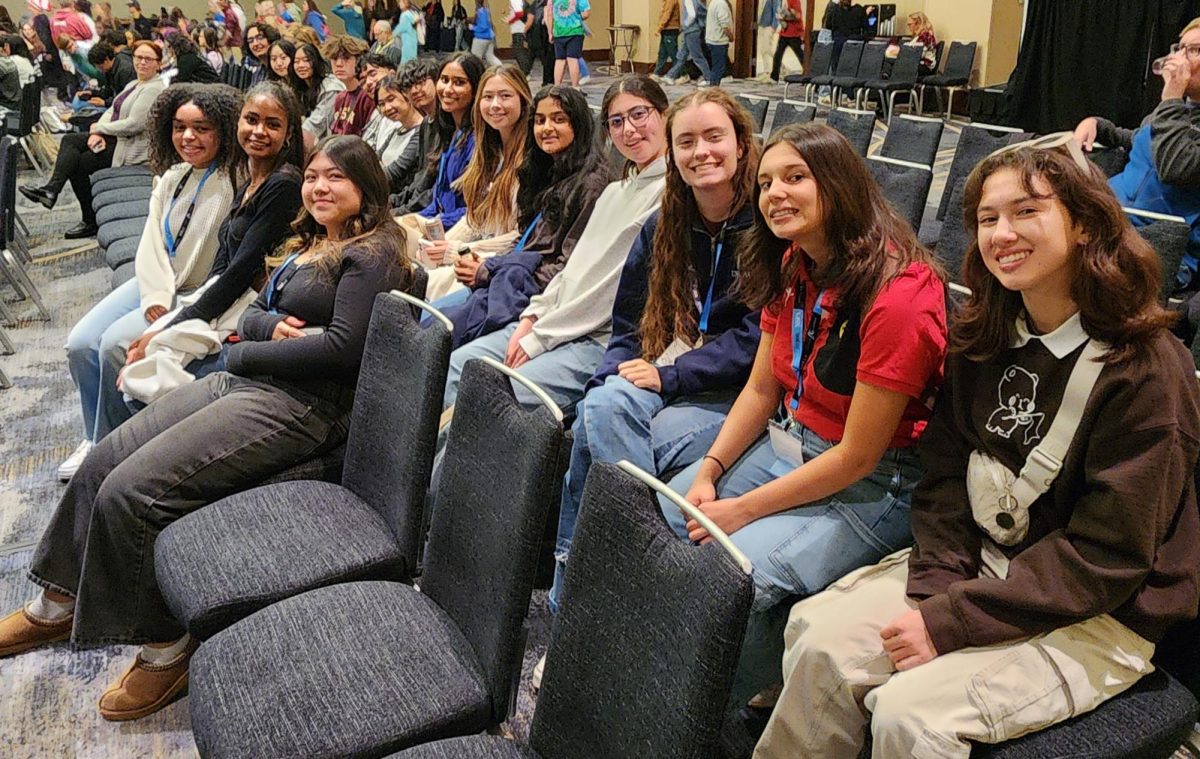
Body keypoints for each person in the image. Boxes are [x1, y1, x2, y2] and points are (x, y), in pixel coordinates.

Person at [754, 136, 1200, 758]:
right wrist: (941, 588)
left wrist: (953, 621)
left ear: (1083, 226)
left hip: (1099, 609)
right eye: (987, 219)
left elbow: (1109, 557)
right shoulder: (985, 335)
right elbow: (943, 478)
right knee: (818, 638)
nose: (1001, 233)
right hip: (985, 565)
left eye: (1027, 212)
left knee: (912, 718)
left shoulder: (1147, 370)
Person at [0, 136, 410, 721]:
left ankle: (167, 646)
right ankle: (57, 601)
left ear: (366, 187)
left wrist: (247, 350)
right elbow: (255, 311)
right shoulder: (320, 240)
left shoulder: (374, 253)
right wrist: (267, 332)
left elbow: (344, 353)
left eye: (334, 179)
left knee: (132, 492)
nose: (318, 187)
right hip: (258, 383)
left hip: (300, 407)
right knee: (99, 464)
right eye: (313, 176)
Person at [660, 122, 947, 705]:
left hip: (875, 481)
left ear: (839, 185)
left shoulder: (899, 295)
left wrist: (741, 508)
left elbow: (858, 455)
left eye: (796, 178)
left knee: (731, 572)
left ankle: (707, 705)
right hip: (794, 439)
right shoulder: (795, 262)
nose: (774, 195)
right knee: (670, 515)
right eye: (765, 182)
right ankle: (705, 676)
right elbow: (763, 390)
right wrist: (711, 469)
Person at [548, 88, 762, 627]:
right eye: (686, 141)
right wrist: (603, 378)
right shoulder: (665, 223)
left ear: (740, 143)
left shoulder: (767, 224)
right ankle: (617, 581)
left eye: (715, 137)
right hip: (680, 374)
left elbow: (759, 339)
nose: (701, 152)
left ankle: (579, 596)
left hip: (741, 391)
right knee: (601, 407)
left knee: (594, 432)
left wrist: (669, 376)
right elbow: (630, 325)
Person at [441, 74, 669, 414]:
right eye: (616, 121)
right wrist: (533, 319)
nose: (629, 130)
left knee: (490, 400)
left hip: (594, 335)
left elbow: (603, 292)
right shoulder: (616, 191)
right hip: (551, 316)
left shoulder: (665, 195)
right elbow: (574, 270)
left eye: (639, 115)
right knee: (456, 367)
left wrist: (540, 335)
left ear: (665, 116)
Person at [55, 84, 241, 481]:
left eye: (201, 128)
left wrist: (171, 304)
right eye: (179, 127)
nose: (188, 137)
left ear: (224, 131)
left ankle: (112, 451)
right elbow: (152, 243)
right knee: (79, 343)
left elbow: (224, 268)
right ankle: (94, 436)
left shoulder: (236, 181)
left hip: (195, 294)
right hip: (158, 283)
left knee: (111, 347)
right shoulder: (173, 176)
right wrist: (156, 293)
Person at [122, 82, 306, 402]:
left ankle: (117, 446)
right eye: (251, 119)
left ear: (289, 134)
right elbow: (222, 266)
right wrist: (180, 314)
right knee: (129, 354)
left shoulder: (284, 183)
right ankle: (104, 443)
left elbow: (239, 273)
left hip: (247, 305)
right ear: (238, 122)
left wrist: (169, 326)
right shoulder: (251, 176)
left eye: (272, 124)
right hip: (222, 295)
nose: (258, 131)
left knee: (133, 359)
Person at [440, 83, 611, 347]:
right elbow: (528, 244)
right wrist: (491, 264)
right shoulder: (548, 172)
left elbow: (566, 268)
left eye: (559, 119)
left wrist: (489, 270)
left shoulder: (591, 186)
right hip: (508, 280)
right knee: (429, 321)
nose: (547, 129)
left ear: (579, 125)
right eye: (540, 120)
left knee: (440, 337)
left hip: (537, 298)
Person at [1073, 17, 1200, 295]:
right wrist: (1097, 124)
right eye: (1180, 48)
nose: (1180, 58)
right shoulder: (1176, 110)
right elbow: (1138, 140)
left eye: (1195, 50)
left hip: (1156, 247)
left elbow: (1174, 166)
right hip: (1111, 222)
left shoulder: (1173, 107)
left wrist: (1171, 100)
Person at [19, 39, 165, 238]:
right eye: (139, 57)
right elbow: (113, 109)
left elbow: (134, 124)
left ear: (159, 63)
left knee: (77, 165)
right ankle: (52, 190)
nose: (142, 62)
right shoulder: (134, 83)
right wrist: (97, 132)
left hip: (130, 148)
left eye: (148, 59)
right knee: (70, 141)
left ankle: (85, 216)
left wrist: (101, 128)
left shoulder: (153, 88)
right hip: (117, 138)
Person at [417, 63, 531, 301]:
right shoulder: (489, 153)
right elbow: (476, 219)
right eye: (488, 97)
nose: (495, 105)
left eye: (505, 96)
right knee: (412, 266)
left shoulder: (532, 160)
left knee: (425, 288)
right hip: (474, 250)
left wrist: (455, 251)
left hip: (500, 262)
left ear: (523, 100)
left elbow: (521, 237)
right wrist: (443, 245)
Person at [394, 52, 482, 230]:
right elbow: (438, 199)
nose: (448, 89)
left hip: (461, 229)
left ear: (475, 90)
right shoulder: (450, 131)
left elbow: (474, 210)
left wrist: (424, 223)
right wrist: (412, 220)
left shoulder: (477, 139)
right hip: (437, 221)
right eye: (444, 80)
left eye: (459, 83)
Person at [323, 33, 373, 136]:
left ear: (359, 61)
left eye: (346, 58)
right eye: (334, 58)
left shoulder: (368, 96)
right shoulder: (340, 98)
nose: (339, 64)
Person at [295, 40, 346, 140]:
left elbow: (317, 124)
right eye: (296, 61)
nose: (301, 65)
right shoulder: (302, 87)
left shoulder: (330, 88)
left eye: (306, 60)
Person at [369, 72, 423, 164]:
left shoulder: (421, 131)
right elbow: (373, 160)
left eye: (391, 99)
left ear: (406, 94)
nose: (387, 108)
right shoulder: (396, 131)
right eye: (382, 104)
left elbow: (395, 172)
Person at [663, 0, 712, 86]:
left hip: (691, 31)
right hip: (692, 31)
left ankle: (708, 78)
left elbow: (692, 15)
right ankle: (670, 76)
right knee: (682, 55)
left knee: (697, 56)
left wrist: (685, 25)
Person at [546, 0, 588, 88]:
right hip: (575, 31)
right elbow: (586, 14)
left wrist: (550, 32)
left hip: (559, 32)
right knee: (572, 59)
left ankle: (556, 86)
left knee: (559, 60)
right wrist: (575, 17)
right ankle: (575, 87)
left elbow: (549, 14)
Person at [823, 0, 867, 67]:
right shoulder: (860, 10)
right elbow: (866, 29)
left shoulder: (834, 10)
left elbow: (827, 25)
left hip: (838, 48)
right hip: (855, 49)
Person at [770, 0, 804, 82]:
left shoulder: (795, 1)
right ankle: (774, 77)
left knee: (801, 55)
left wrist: (785, 16)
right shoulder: (782, 1)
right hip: (784, 33)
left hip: (794, 34)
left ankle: (809, 73)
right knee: (778, 55)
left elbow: (798, 15)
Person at [704, 0, 732, 85]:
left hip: (712, 39)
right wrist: (731, 36)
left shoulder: (713, 2)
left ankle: (713, 88)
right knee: (718, 68)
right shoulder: (721, 4)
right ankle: (713, 89)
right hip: (718, 41)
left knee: (715, 67)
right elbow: (724, 25)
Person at [652, 0, 679, 78]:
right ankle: (656, 73)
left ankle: (682, 74)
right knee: (662, 53)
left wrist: (659, 28)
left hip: (670, 29)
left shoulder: (670, 1)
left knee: (673, 53)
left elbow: (667, 14)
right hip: (666, 29)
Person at [469, 0, 500, 66]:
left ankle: (477, 74)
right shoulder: (486, 11)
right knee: (490, 57)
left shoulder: (480, 12)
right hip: (489, 38)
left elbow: (483, 26)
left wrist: (473, 28)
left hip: (481, 38)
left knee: (475, 59)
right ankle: (502, 70)